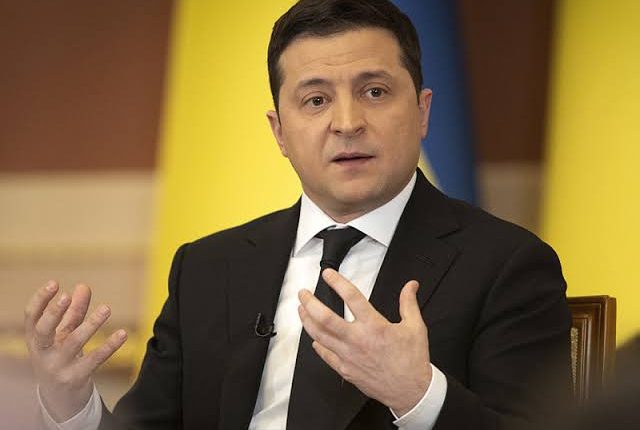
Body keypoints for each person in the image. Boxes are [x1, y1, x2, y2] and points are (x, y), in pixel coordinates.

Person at [23, 0, 572, 429]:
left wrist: (418, 395)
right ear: (280, 131)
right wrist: (70, 404)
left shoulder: (506, 265)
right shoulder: (208, 269)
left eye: (374, 91)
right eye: (315, 100)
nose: (347, 122)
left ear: (423, 111)